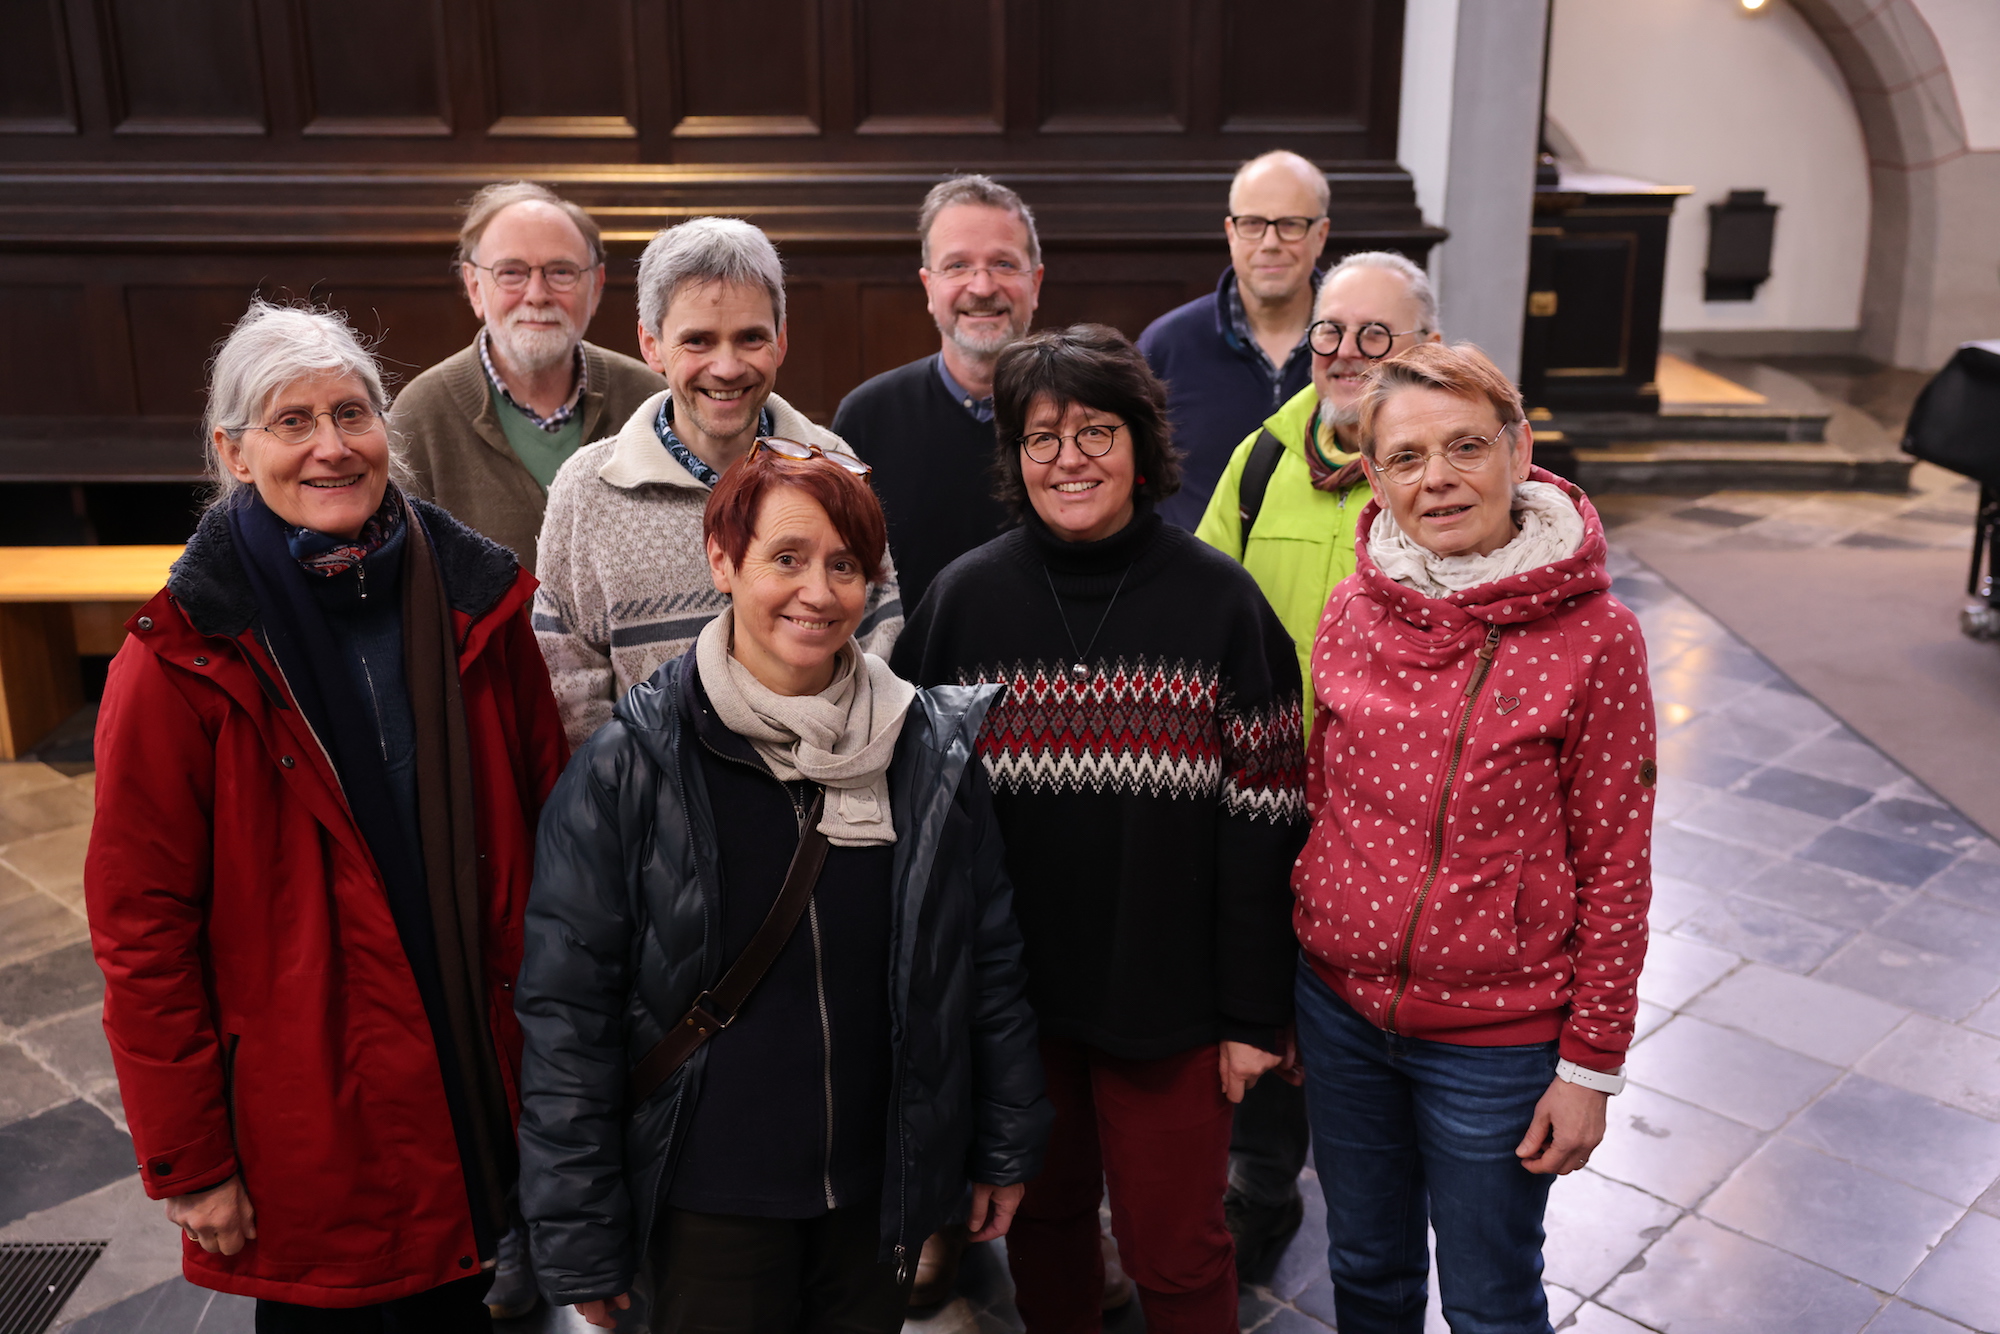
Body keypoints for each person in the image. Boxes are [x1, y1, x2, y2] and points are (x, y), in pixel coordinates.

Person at [84, 300, 570, 1331]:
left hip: (487, 1074)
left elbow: (553, 839)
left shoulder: (479, 603)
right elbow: (142, 931)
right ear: (232, 450)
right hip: (315, 1110)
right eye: (290, 421)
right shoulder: (180, 655)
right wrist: (190, 1158)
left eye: (352, 412)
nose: (331, 445)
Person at [515, 443, 1051, 1334]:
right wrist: (579, 1231)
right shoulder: (638, 762)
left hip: (873, 1193)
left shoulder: (922, 747)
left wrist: (1000, 1142)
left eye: (845, 565)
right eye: (787, 559)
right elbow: (566, 1010)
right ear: (723, 564)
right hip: (710, 1198)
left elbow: (984, 963)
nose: (819, 591)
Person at [893, 325, 1308, 1334]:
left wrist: (1252, 1012)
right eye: (1040, 437)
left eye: (1094, 429)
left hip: (1168, 1004)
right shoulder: (961, 601)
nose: (1068, 457)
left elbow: (1266, 815)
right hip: (1017, 1006)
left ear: (1142, 443)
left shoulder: (1221, 602)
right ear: (1013, 457)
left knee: (1176, 1249)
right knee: (1044, 1225)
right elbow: (915, 818)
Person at [1294, 342, 1655, 1333]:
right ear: (1373, 476)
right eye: (1405, 457)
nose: (1437, 478)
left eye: (1464, 446)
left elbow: (1616, 863)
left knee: (1491, 1300)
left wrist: (1587, 1065)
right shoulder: (1350, 607)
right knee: (1364, 1271)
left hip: (1495, 1040)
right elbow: (1322, 799)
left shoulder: (1594, 637)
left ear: (1519, 448)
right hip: (1339, 1013)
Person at [1186, 248, 1441, 1278]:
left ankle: (1375, 1191)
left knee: (1357, 1022)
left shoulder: (1448, 475)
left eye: (1372, 336)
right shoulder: (1260, 462)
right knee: (1259, 985)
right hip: (1269, 795)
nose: (1342, 354)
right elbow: (1201, 615)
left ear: (1420, 349)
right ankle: (1256, 1180)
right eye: (1329, 332)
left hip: (1395, 817)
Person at [534, 216, 903, 747]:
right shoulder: (588, 487)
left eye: (751, 337)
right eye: (698, 341)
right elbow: (568, 685)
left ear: (780, 340)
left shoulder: (836, 463)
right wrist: (629, 800)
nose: (727, 367)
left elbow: (876, 640)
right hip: (653, 811)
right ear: (651, 344)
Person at [391, 180, 665, 573]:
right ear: (474, 287)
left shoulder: (651, 400)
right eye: (512, 272)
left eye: (561, 272)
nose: (537, 294)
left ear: (596, 286)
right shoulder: (420, 415)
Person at [831, 174, 1042, 615]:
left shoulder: (1079, 419)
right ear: (929, 287)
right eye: (958, 266)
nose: (982, 287)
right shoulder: (867, 418)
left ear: (1035, 283)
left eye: (1003, 264)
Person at [1139, 151, 1331, 528]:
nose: (1270, 242)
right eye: (1253, 223)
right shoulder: (1166, 346)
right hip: (1195, 582)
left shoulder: (1358, 348)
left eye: (1290, 224)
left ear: (1320, 235)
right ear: (1231, 232)